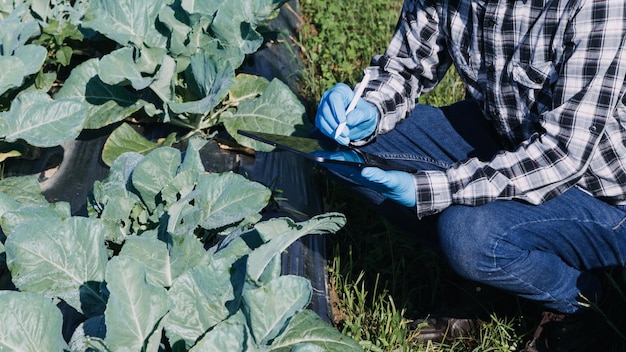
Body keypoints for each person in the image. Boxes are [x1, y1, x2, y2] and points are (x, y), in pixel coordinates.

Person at [314, 0, 626, 350]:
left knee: (467, 233)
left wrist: (432, 189)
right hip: (507, 141)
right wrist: (367, 106)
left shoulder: (595, 5)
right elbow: (405, 67)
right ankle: (500, 278)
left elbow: (562, 154)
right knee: (340, 148)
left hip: (601, 197)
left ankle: (581, 297)